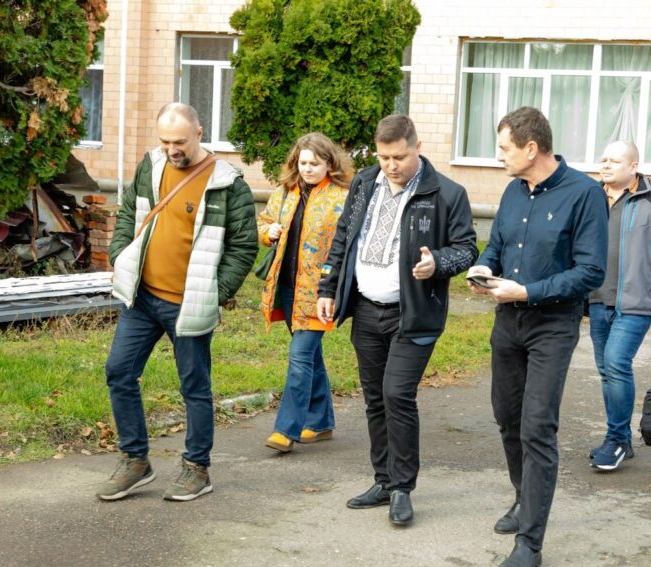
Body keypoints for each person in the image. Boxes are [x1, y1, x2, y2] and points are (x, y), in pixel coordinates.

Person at [467, 107, 607, 567]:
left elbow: (590, 272)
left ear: (531, 148)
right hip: (508, 320)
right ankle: (522, 497)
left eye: (504, 147)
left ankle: (530, 541)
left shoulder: (584, 194)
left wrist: (527, 291)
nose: (498, 156)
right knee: (507, 417)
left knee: (537, 427)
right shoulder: (512, 191)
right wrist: (485, 267)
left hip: (552, 324)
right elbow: (497, 245)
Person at [317, 114, 477, 527]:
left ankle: (403, 487)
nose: (391, 166)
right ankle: (383, 481)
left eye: (400, 157)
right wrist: (328, 289)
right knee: (375, 397)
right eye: (384, 157)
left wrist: (438, 262)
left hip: (414, 313)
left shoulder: (446, 193)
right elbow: (343, 236)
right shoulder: (364, 183)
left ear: (417, 147)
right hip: (366, 309)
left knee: (397, 394)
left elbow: (466, 249)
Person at [97, 102, 257, 502]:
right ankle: (135, 461)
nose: (172, 149)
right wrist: (120, 254)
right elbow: (129, 214)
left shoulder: (227, 184)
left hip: (188, 305)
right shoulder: (151, 166)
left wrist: (215, 293)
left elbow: (243, 247)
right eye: (165, 141)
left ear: (199, 133)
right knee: (119, 371)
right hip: (142, 298)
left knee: (194, 387)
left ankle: (197, 469)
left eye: (180, 142)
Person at [587, 140, 651, 472]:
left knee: (616, 363)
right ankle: (620, 440)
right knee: (606, 371)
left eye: (614, 160)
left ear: (633, 166)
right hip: (597, 299)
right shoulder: (590, 198)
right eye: (603, 159)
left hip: (637, 302)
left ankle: (617, 440)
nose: (606, 165)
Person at [257, 133, 353, 454]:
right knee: (310, 356)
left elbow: (347, 247)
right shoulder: (285, 193)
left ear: (330, 164)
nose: (308, 169)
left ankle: (286, 429)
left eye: (315, 163)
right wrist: (268, 232)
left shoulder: (341, 198)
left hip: (320, 293)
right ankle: (321, 421)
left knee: (300, 358)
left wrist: (336, 288)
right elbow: (264, 222)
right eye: (303, 163)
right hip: (286, 288)